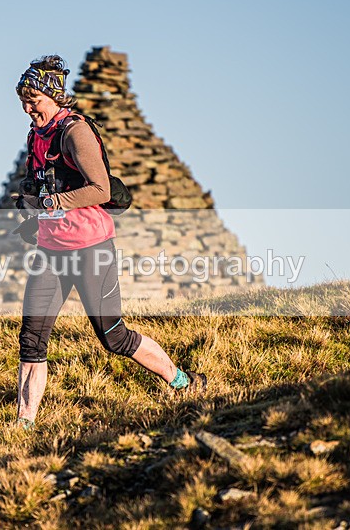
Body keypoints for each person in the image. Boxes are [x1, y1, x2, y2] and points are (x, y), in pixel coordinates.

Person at [12, 55, 206, 429]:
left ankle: (182, 381)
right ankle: (24, 424)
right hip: (51, 251)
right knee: (31, 338)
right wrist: (29, 207)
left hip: (90, 247)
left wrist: (52, 202)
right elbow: (36, 183)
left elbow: (100, 188)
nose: (27, 105)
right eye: (23, 97)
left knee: (112, 336)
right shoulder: (36, 135)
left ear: (54, 96)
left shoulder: (75, 132)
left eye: (33, 97)